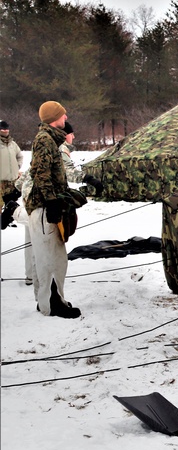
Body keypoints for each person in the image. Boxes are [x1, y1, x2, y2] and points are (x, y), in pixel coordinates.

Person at [24, 100, 86, 318]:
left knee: (52, 256)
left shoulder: (50, 139)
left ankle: (50, 301)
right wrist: (51, 202)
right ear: (53, 118)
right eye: (63, 115)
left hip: (47, 205)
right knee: (50, 258)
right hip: (43, 209)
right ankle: (52, 305)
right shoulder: (44, 140)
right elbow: (41, 174)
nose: (66, 117)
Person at [0, 119, 24, 229]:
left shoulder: (13, 144)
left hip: (13, 181)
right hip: (1, 182)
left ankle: (8, 221)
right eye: (2, 128)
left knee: (11, 205)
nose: (5, 131)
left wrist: (17, 167)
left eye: (6, 128)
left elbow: (20, 156)